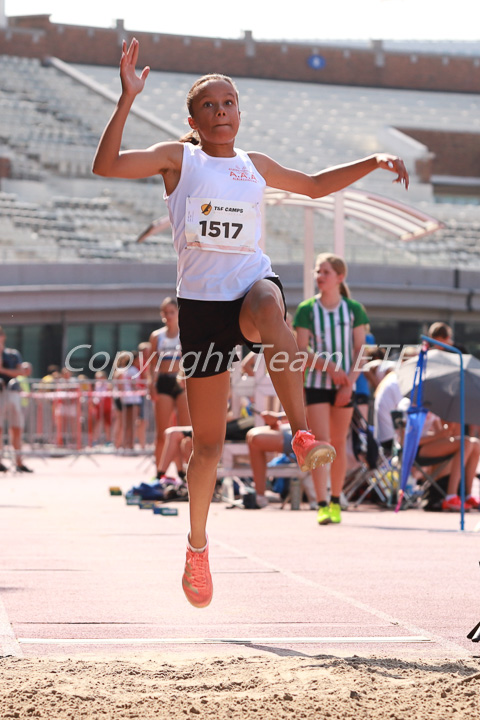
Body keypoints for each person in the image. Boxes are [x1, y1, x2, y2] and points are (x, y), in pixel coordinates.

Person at [92, 37, 409, 607]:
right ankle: (196, 548)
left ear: (240, 112)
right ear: (193, 119)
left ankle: (301, 431)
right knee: (208, 447)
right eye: (209, 106)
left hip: (248, 290)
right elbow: (106, 165)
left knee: (269, 304)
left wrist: (374, 161)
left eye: (229, 103)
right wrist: (126, 100)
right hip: (201, 310)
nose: (221, 113)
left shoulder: (253, 166)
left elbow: (312, 185)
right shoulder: (178, 159)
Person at [294, 254, 369, 525]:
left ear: (339, 277)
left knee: (338, 443)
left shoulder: (353, 309)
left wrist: (349, 381)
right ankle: (321, 502)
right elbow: (301, 351)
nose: (320, 275)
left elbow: (361, 349)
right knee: (320, 443)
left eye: (325, 271)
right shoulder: (306, 309)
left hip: (344, 387)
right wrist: (329, 367)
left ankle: (336, 501)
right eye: (317, 271)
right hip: (316, 384)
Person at [146, 297, 189, 477]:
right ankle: (160, 473)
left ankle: (184, 472)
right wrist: (151, 382)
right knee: (162, 433)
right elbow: (151, 362)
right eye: (165, 312)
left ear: (178, 313)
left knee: (185, 432)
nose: (169, 316)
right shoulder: (157, 336)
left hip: (183, 382)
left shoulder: (186, 333)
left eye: (172, 312)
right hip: (164, 381)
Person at [0, 327, 33, 473]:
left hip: (12, 393)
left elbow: (20, 372)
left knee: (17, 428)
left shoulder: (13, 354)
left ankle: (19, 462)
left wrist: (3, 371)